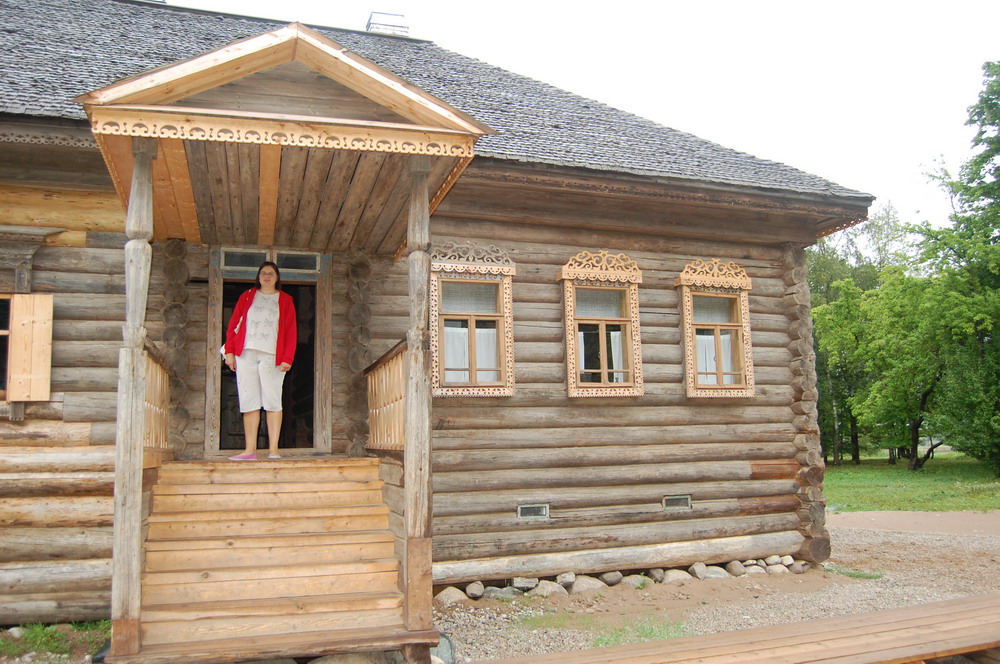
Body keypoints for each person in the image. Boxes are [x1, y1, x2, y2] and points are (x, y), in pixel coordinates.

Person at [223, 262, 297, 460]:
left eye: (271, 273)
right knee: (249, 401)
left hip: (272, 356)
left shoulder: (285, 300)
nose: (267, 276)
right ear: (258, 276)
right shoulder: (247, 296)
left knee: (272, 400)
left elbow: (291, 332)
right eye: (263, 273)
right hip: (245, 354)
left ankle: (273, 450)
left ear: (277, 277)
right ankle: (250, 450)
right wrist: (229, 352)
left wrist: (288, 357)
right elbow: (233, 325)